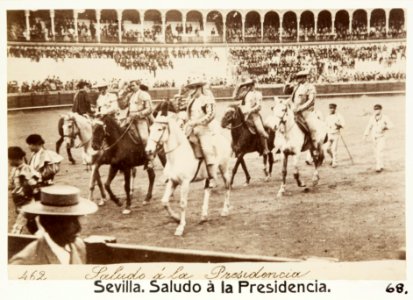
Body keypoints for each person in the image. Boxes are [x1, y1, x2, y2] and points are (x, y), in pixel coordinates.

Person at [9, 185, 98, 265]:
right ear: (47, 223)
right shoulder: (25, 263)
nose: (78, 228)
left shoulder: (78, 246)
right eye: (70, 222)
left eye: (77, 219)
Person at [184, 78, 218, 188]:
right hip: (191, 129)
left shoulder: (207, 99)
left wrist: (197, 122)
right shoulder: (191, 100)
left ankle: (212, 177)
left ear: (199, 88)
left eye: (192, 88)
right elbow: (188, 115)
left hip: (203, 130)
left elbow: (211, 114)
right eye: (190, 88)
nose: (190, 90)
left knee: (207, 150)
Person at [284, 69, 319, 156]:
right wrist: (287, 83)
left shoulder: (310, 87)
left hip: (306, 112)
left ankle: (315, 148)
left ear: (304, 78)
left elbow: (311, 100)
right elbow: (286, 92)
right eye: (297, 78)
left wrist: (301, 108)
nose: (297, 79)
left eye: (299, 78)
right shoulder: (296, 86)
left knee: (312, 128)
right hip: (294, 111)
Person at [8, 147, 40, 234]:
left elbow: (34, 185)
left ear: (17, 159)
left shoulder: (27, 169)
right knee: (32, 225)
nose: (9, 162)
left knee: (18, 226)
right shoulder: (14, 170)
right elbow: (11, 184)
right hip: (19, 201)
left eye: (10, 159)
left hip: (26, 201)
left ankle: (13, 241)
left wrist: (28, 194)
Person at [234, 77, 269, 155]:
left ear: (253, 85)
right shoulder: (245, 93)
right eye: (247, 85)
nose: (248, 87)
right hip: (244, 116)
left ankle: (266, 149)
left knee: (261, 131)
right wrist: (238, 87)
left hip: (254, 116)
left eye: (250, 85)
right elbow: (235, 97)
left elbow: (259, 106)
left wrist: (250, 111)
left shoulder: (258, 94)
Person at [128, 79, 154, 168]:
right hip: (130, 118)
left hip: (141, 119)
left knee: (144, 138)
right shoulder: (131, 95)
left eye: (133, 85)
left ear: (138, 85)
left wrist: (139, 114)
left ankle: (150, 159)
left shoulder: (144, 94)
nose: (131, 87)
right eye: (130, 86)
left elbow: (149, 108)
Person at [363, 104, 393, 172]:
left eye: (378, 109)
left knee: (380, 151)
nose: (376, 111)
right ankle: (381, 165)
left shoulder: (385, 117)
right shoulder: (372, 118)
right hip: (373, 137)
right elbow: (369, 126)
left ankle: (378, 166)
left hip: (381, 137)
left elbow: (392, 125)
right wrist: (365, 134)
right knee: (376, 152)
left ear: (381, 110)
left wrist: (386, 127)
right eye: (375, 109)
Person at [325, 103, 345, 167]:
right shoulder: (327, 116)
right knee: (327, 149)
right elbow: (325, 125)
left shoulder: (339, 116)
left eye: (332, 108)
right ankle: (332, 158)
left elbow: (343, 124)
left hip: (336, 134)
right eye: (330, 108)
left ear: (335, 109)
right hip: (329, 134)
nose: (331, 109)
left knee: (334, 149)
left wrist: (339, 125)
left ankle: (335, 162)